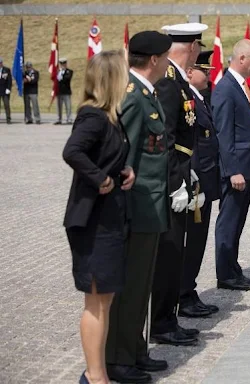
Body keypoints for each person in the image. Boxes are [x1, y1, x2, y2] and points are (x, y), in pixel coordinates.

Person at [62, 50, 135, 384]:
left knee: (104, 300)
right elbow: (72, 151)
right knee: (96, 303)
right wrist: (100, 179)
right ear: (112, 79)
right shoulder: (92, 116)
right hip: (91, 222)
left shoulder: (110, 116)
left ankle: (98, 374)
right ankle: (94, 377)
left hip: (108, 219)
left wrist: (123, 170)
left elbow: (106, 154)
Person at [104, 31, 172, 384]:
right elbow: (124, 159)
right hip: (137, 206)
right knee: (129, 286)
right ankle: (117, 358)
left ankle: (134, 348)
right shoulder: (133, 96)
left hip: (151, 205)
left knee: (141, 284)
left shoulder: (147, 93)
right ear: (156, 60)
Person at [150, 22, 208, 347]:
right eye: (199, 48)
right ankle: (162, 323)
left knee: (175, 254)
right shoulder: (171, 82)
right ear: (193, 47)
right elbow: (167, 138)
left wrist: (190, 175)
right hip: (170, 183)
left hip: (182, 174)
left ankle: (167, 319)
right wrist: (176, 183)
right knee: (169, 255)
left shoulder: (177, 79)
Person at [212, 39, 250, 291]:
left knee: (238, 221)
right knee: (228, 222)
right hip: (237, 172)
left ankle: (233, 269)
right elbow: (224, 135)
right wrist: (233, 170)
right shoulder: (225, 88)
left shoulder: (240, 86)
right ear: (242, 58)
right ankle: (225, 273)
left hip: (247, 169)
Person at [178, 49, 221, 318]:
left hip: (205, 181)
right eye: (204, 71)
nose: (209, 75)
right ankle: (183, 294)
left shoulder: (201, 99)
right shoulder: (188, 102)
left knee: (198, 242)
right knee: (191, 242)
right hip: (196, 184)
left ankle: (188, 290)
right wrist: (191, 183)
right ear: (191, 72)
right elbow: (188, 146)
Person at [55, 58, 74, 125]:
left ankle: (69, 119)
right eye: (61, 64)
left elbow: (68, 78)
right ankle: (59, 119)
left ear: (66, 64)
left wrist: (62, 76)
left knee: (68, 106)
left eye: (64, 64)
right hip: (59, 92)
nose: (63, 65)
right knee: (59, 107)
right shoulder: (57, 71)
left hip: (66, 91)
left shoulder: (69, 71)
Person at [0, 58, 12, 124]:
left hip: (4, 90)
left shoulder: (6, 70)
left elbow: (9, 80)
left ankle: (8, 118)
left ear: (2, 63)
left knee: (6, 105)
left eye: (0, 63)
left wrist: (8, 88)